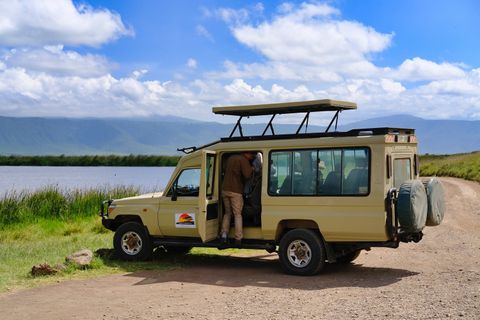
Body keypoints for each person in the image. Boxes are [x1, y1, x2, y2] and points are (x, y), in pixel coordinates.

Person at [220, 152, 255, 245]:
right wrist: (252, 168)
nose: (253, 156)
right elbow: (247, 175)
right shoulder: (243, 160)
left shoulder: (230, 158)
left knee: (227, 213)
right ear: (246, 153)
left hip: (224, 189)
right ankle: (238, 239)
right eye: (252, 154)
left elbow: (223, 169)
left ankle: (224, 235)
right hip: (236, 191)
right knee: (237, 215)